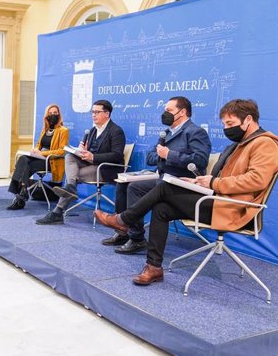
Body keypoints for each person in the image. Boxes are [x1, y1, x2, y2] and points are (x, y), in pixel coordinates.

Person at [95, 99, 278, 285]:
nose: (226, 128)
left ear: (248, 119)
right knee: (161, 208)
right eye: (224, 124)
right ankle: (154, 267)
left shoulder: (264, 144)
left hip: (232, 208)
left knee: (164, 187)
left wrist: (214, 182)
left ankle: (123, 220)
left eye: (230, 124)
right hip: (216, 199)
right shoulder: (240, 144)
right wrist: (198, 182)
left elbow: (256, 180)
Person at [103, 96, 212, 254]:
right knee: (123, 184)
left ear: (182, 112)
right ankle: (126, 233)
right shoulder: (166, 133)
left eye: (169, 110)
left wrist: (169, 155)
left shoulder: (195, 132)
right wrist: (163, 155)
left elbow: (201, 160)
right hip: (162, 179)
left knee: (135, 188)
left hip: (182, 183)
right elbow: (150, 158)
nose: (164, 113)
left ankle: (133, 235)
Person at [36, 99, 125, 224]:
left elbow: (117, 155)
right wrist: (82, 150)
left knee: (74, 175)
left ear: (107, 114)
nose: (93, 115)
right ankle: (70, 187)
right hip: (91, 163)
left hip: (107, 168)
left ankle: (58, 211)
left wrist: (93, 157)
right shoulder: (93, 130)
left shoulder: (116, 131)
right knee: (69, 156)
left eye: (97, 112)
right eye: (92, 112)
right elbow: (90, 151)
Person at [7, 104, 69, 210]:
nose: (53, 115)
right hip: (39, 158)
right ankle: (23, 190)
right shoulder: (45, 129)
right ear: (46, 115)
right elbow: (39, 145)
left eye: (55, 113)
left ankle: (21, 197)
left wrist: (43, 154)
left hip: (51, 161)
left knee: (27, 164)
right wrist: (35, 150)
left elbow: (62, 151)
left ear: (59, 114)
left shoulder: (63, 130)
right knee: (23, 159)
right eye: (50, 113)